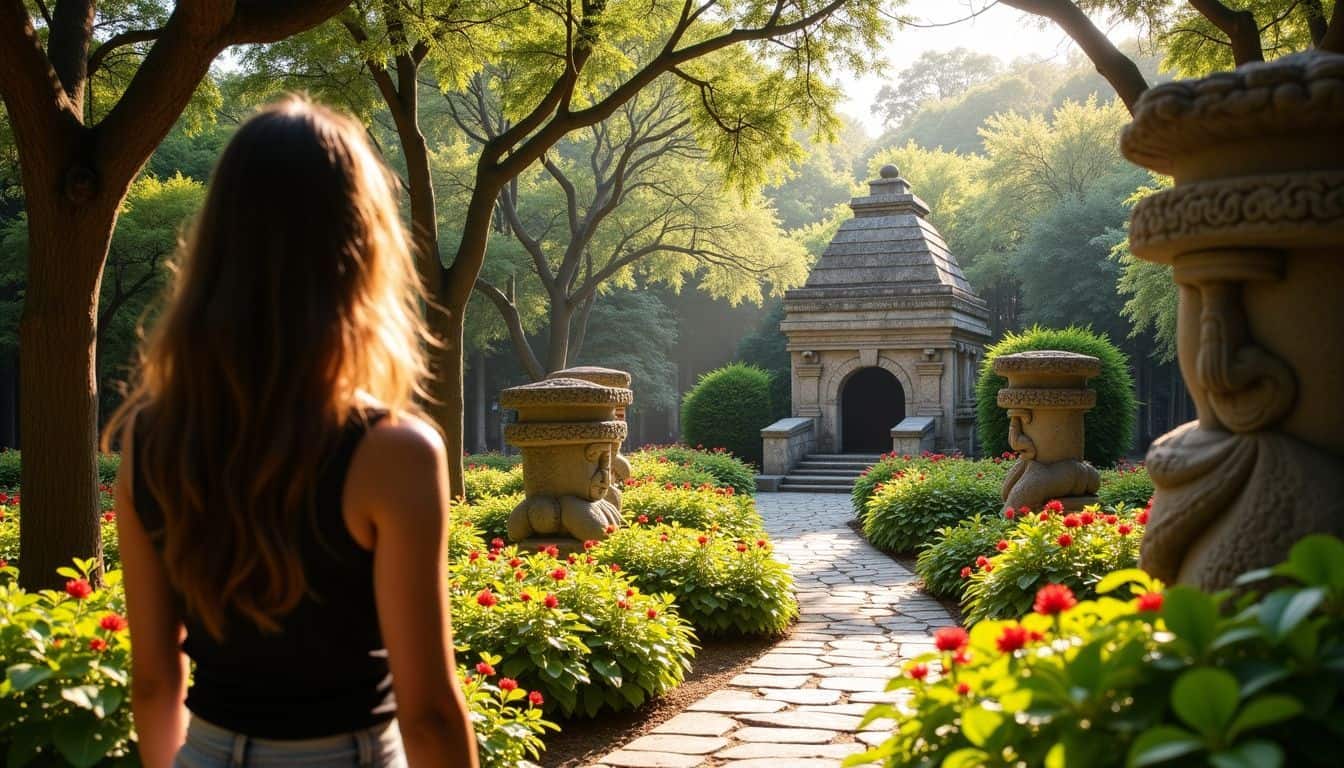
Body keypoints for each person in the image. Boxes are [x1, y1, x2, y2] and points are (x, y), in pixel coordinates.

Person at [104, 97, 479, 768]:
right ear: (361, 249)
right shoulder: (394, 453)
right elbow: (426, 716)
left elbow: (155, 680)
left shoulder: (150, 439)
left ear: (217, 248)